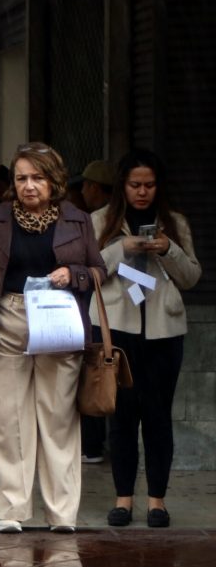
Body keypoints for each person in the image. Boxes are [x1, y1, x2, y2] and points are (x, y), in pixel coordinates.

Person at [0, 143, 104, 534]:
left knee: (58, 419)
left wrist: (74, 275)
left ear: (54, 180)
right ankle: (12, 509)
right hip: (7, 317)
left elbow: (98, 271)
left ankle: (61, 514)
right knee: (7, 418)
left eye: (38, 177)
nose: (29, 186)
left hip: (58, 321)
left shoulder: (77, 220)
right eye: (21, 178)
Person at [91, 150, 201, 529]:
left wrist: (166, 249)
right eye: (135, 185)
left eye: (149, 186)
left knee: (157, 417)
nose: (142, 193)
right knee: (122, 416)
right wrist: (122, 247)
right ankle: (123, 499)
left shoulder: (175, 223)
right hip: (117, 332)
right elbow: (87, 272)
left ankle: (158, 501)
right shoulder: (101, 221)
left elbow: (191, 277)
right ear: (123, 186)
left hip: (163, 333)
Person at [68, 159, 117, 463]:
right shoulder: (95, 220)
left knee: (97, 370)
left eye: (85, 185)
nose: (82, 191)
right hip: (98, 308)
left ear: (96, 188)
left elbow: (94, 265)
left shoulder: (97, 222)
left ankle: (93, 442)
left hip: (105, 308)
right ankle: (93, 442)